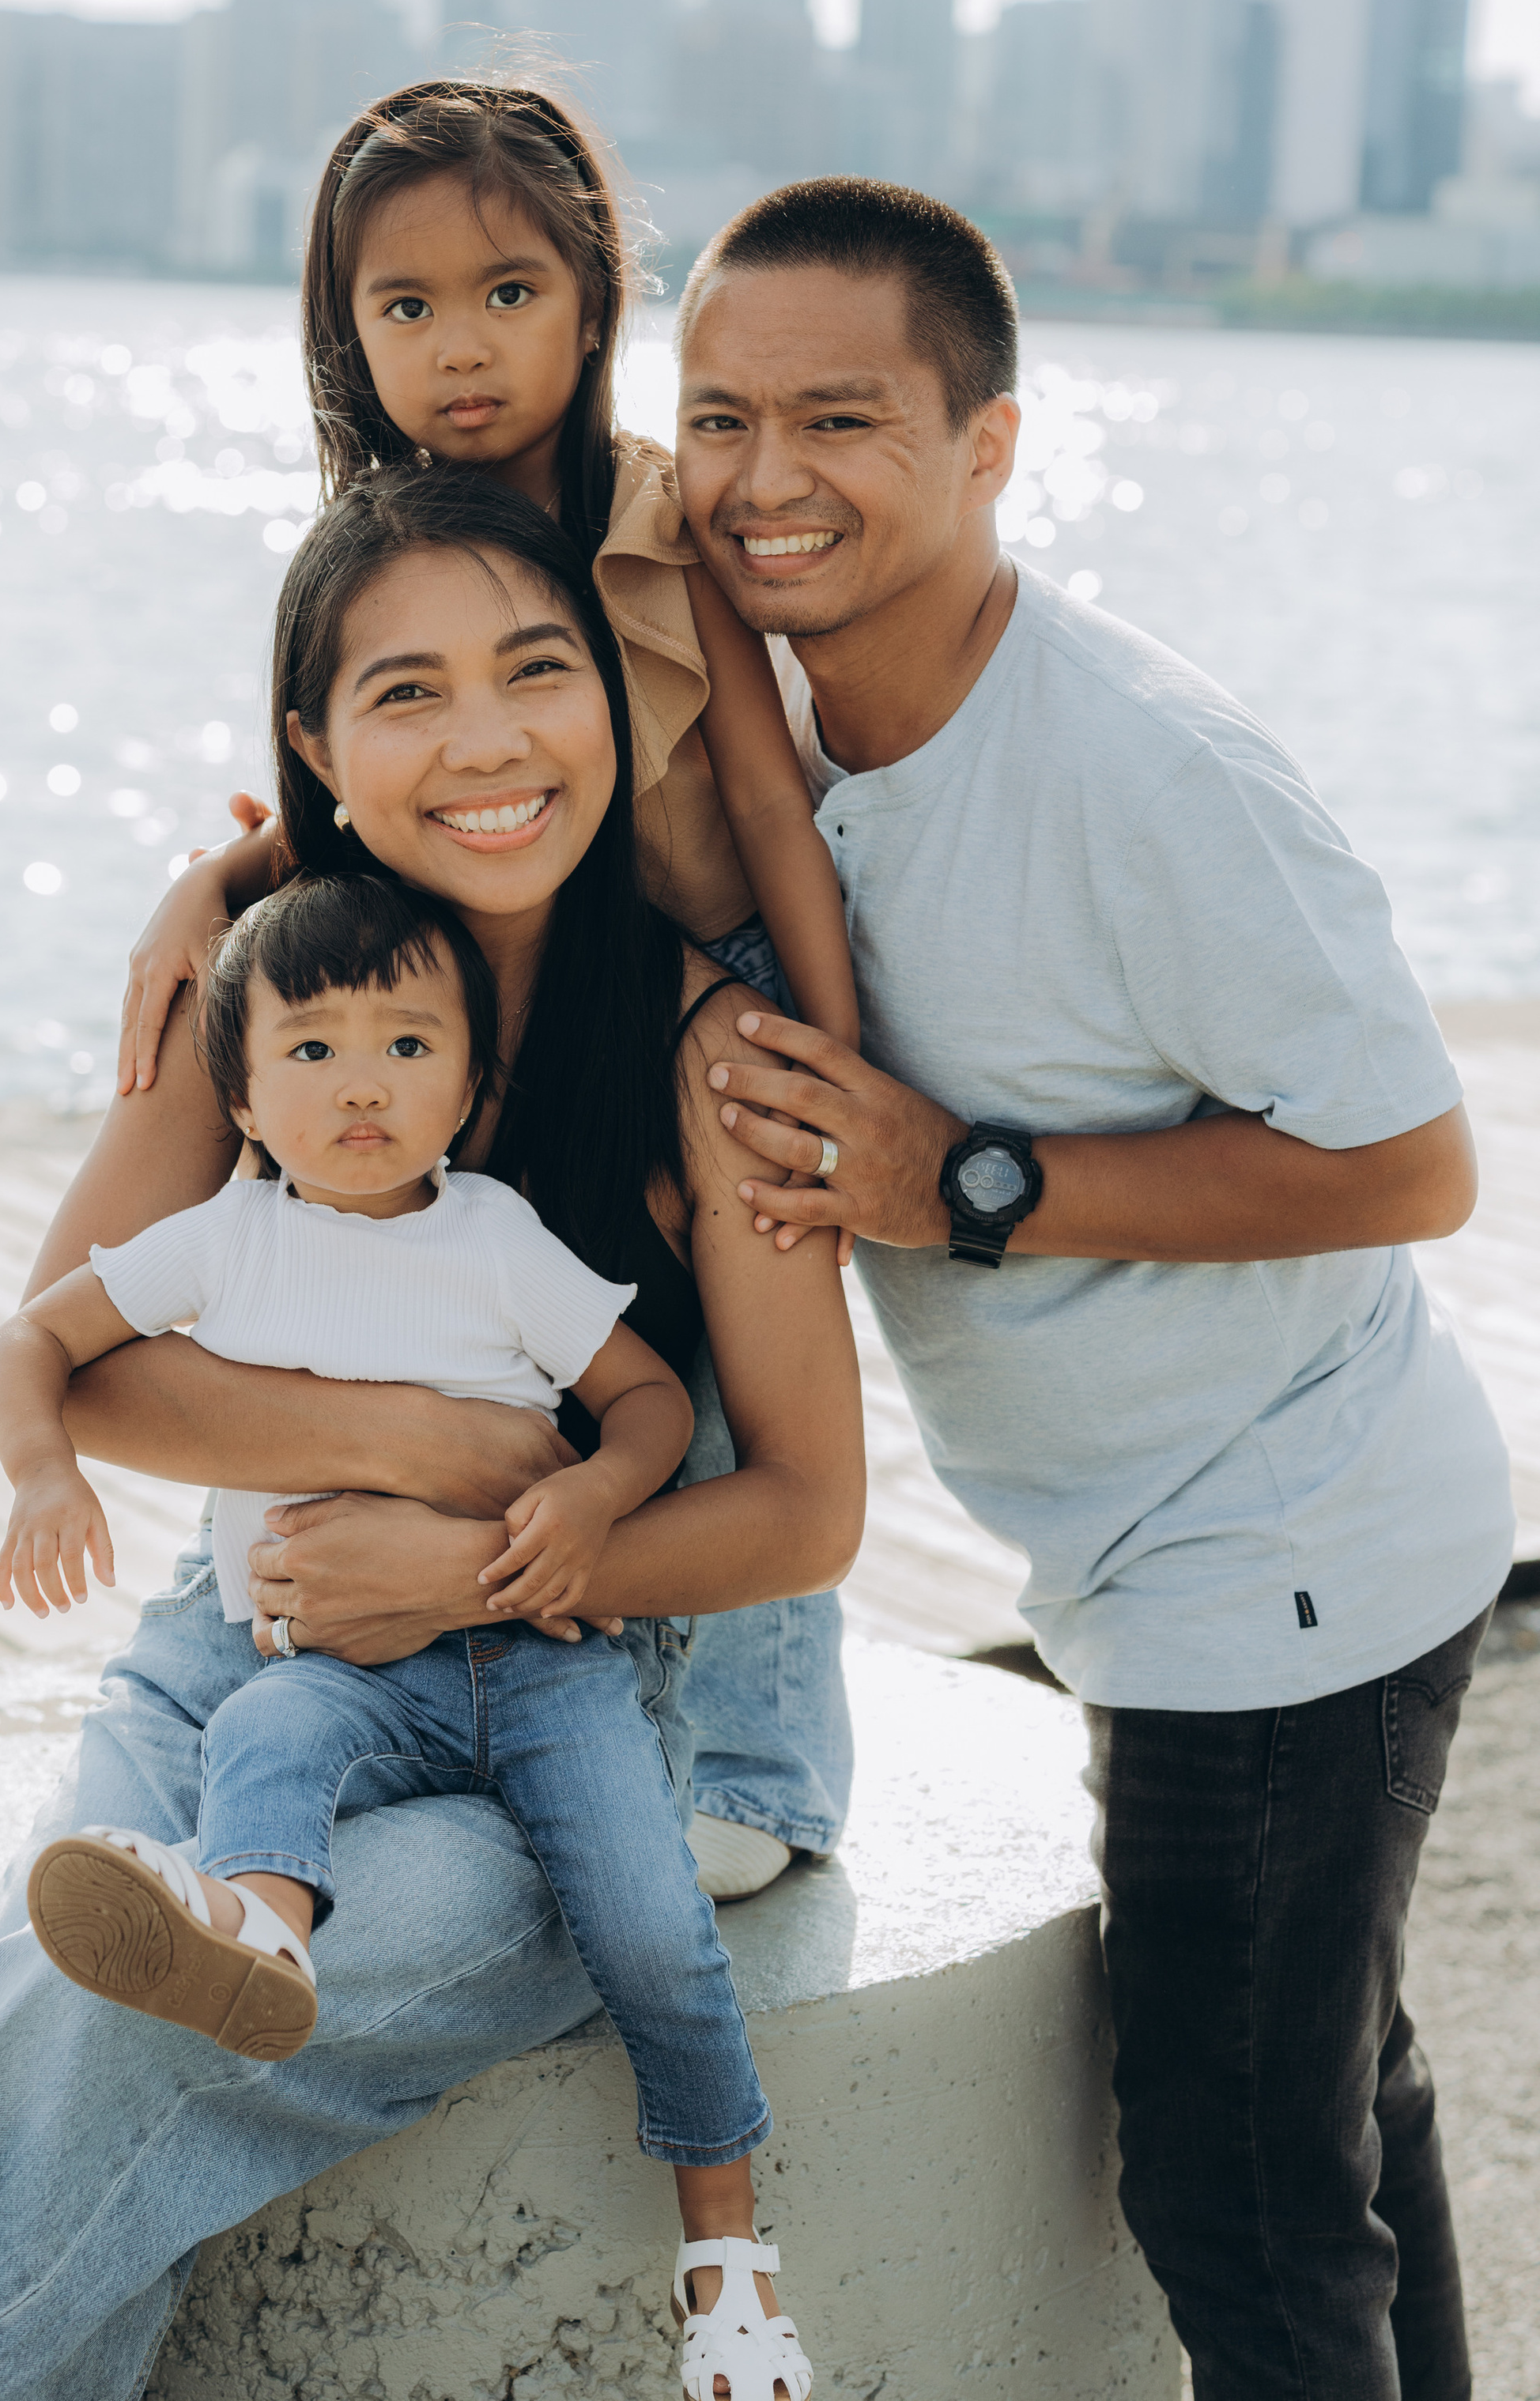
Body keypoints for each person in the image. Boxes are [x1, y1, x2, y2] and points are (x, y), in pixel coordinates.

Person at [0, 466, 864, 2401]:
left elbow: (808, 1510)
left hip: (576, 1731)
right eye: (403, 693)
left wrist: (480, 1554)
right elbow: (69, 1356)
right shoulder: (276, 993)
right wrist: (419, 1444)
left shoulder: (696, 1052)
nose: (483, 740)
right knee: (52, 1967)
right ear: (308, 743)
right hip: (241, 1669)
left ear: (618, 706)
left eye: (536, 670)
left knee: (113, 2025)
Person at [669, 174, 1514, 2401]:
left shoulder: (1149, 765)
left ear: (992, 447)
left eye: (839, 419)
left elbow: (1412, 1159)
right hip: (1176, 1552)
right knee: (1340, 2118)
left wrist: (971, 1183)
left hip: (1285, 1565)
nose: (766, 480)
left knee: (1235, 2204)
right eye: (720, 418)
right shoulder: (785, 724)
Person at [118, 77, 860, 1904]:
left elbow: (766, 793)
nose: (462, 347)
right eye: (407, 307)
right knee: (493, 1301)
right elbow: (341, 804)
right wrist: (201, 897)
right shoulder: (376, 535)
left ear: (597, 297)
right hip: (474, 980)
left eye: (509, 294)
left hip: (700, 970)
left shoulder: (652, 517)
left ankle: (751, 1747)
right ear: (342, 329)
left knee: (701, 1362)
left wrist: (835, 1052)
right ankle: (408, 1631)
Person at [0, 866, 812, 2399]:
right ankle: (265, 1937)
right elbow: (33, 1334)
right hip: (345, 1671)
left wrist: (602, 1506)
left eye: (405, 1047)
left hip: (540, 1659)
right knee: (261, 1729)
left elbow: (636, 1394)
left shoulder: (494, 1237)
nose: (358, 1084)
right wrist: (43, 1475)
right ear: (237, 1092)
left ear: (471, 1085)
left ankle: (728, 2261)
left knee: (650, 1928)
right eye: (309, 1051)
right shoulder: (221, 1241)